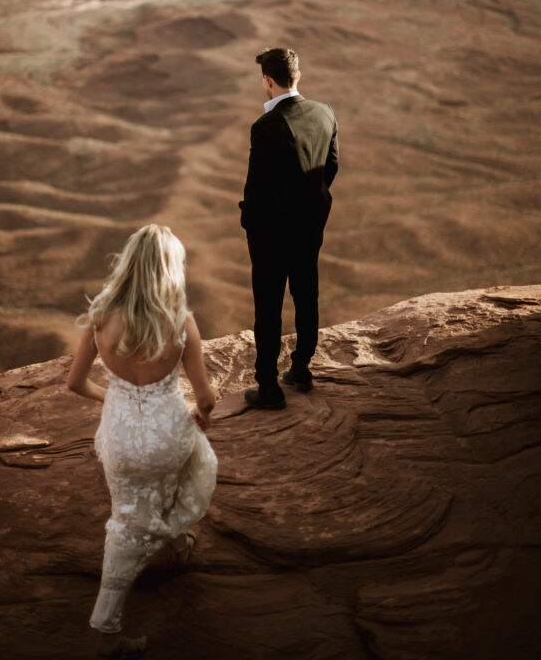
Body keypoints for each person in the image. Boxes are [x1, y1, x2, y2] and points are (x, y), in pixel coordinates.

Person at [67, 224, 217, 659]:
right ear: (171, 270)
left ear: (130, 263)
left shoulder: (100, 314)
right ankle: (104, 627)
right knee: (184, 464)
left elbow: (75, 383)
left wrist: (113, 397)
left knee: (127, 512)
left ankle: (172, 542)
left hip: (120, 436)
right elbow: (205, 398)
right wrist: (201, 415)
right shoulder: (180, 321)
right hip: (168, 431)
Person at [239, 47, 339, 410]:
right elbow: (330, 167)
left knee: (268, 306)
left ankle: (267, 385)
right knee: (305, 293)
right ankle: (301, 367)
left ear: (267, 80)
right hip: (309, 225)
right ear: (299, 75)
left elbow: (257, 186)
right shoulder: (325, 112)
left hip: (271, 234)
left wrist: (249, 221)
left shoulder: (265, 127)